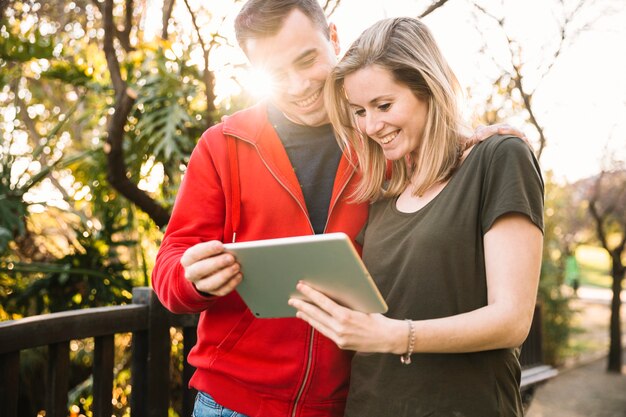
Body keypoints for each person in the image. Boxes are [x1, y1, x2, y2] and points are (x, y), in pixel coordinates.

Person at [151, 1, 528, 416]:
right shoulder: (223, 145)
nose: (297, 85)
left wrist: (472, 140)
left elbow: (436, 153)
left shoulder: (382, 142)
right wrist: (192, 278)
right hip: (232, 402)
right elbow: (170, 267)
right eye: (276, 74)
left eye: (307, 59)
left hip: (343, 402)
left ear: (332, 37)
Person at [288, 17, 544, 417]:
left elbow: (512, 320)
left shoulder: (498, 158)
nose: (371, 126)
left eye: (384, 105)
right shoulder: (384, 190)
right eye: (358, 111)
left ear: (429, 89)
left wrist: (397, 336)